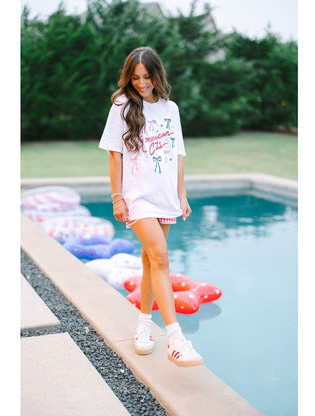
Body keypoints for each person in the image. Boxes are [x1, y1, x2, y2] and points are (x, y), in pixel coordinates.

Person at [99, 46, 203, 367]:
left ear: (157, 75)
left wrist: (181, 195)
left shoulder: (171, 109)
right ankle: (176, 339)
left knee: (149, 262)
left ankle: (143, 326)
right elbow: (115, 154)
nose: (141, 83)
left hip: (165, 196)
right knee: (160, 256)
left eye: (147, 77)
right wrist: (117, 197)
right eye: (135, 77)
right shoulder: (122, 105)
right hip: (138, 196)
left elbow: (177, 155)